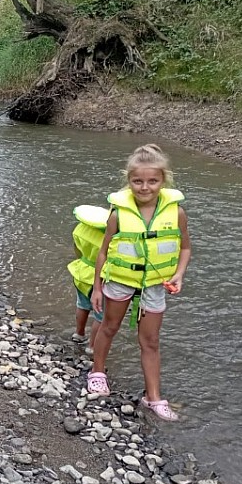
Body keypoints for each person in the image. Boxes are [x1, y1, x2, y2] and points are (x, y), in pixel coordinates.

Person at [86, 144, 192, 421]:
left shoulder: (177, 213)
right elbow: (103, 251)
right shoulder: (118, 215)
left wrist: (179, 273)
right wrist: (97, 288)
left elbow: (185, 248)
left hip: (155, 283)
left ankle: (153, 397)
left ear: (163, 181)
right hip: (120, 279)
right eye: (138, 181)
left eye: (152, 181)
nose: (145, 187)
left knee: (151, 340)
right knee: (109, 327)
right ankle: (97, 371)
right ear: (129, 181)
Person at [66, 205, 109, 356]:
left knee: (82, 305)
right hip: (99, 278)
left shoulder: (80, 230)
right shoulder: (109, 237)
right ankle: (92, 346)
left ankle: (79, 333)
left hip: (80, 272)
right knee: (100, 316)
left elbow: (77, 251)